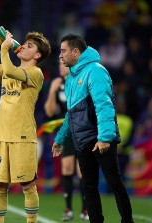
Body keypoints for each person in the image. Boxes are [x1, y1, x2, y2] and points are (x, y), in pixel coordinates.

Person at [52, 34, 134, 223]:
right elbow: (70, 114)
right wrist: (60, 139)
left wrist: (105, 137)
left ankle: (127, 221)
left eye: (63, 51)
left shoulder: (95, 70)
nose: (60, 56)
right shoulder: (72, 77)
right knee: (88, 187)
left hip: (99, 138)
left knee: (114, 182)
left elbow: (104, 105)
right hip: (82, 140)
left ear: (75, 51)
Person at [0, 29, 51, 223]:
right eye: (24, 43)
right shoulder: (7, 68)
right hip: (2, 135)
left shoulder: (36, 73)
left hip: (22, 137)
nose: (24, 46)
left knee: (27, 185)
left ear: (37, 55)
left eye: (30, 46)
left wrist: (4, 49)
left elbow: (10, 71)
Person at [44, 60, 88, 221]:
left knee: (82, 170)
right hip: (65, 133)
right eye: (59, 64)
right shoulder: (57, 83)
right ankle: (68, 208)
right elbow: (49, 112)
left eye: (64, 64)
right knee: (67, 168)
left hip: (82, 131)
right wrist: (51, 92)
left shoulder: (80, 81)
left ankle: (85, 210)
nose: (61, 67)